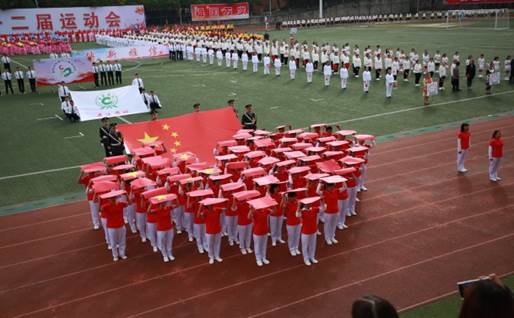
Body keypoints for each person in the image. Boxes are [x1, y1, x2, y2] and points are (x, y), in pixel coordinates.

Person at [100, 193, 128, 262]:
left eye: (113, 198)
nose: (112, 200)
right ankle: (115, 255)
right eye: (110, 199)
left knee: (122, 241)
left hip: (121, 225)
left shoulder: (120, 204)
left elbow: (128, 203)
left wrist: (126, 195)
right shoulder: (106, 206)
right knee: (113, 242)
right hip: (111, 227)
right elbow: (100, 209)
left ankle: (122, 254)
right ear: (108, 200)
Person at [202, 198, 226, 264]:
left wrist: (223, 201)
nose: (211, 205)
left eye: (212, 204)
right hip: (209, 231)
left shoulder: (217, 209)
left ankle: (217, 255)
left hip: (217, 229)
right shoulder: (205, 211)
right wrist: (200, 206)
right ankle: (211, 257)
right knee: (210, 244)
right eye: (210, 204)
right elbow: (199, 216)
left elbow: (224, 209)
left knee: (217, 243)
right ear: (207, 205)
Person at [297, 197, 320, 266]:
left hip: (313, 230)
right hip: (305, 232)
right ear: (304, 205)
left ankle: (312, 257)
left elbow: (323, 208)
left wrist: (322, 200)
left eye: (309, 203)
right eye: (307, 204)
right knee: (305, 246)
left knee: (312, 245)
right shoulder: (302, 211)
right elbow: (297, 214)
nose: (309, 205)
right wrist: (298, 206)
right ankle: (306, 259)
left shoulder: (314, 209)